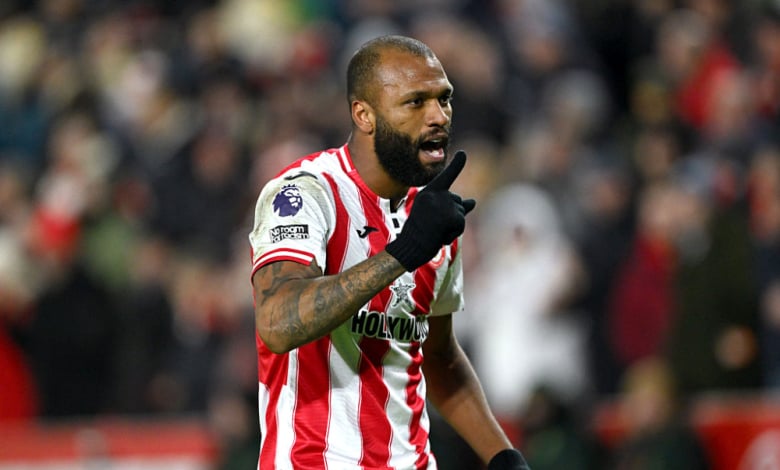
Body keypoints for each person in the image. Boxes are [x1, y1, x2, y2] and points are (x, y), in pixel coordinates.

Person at [248, 35, 530, 469]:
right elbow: (277, 323)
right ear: (364, 114)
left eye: (444, 99)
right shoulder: (305, 194)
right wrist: (401, 253)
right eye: (415, 102)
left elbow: (439, 358)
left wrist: (503, 456)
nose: (438, 116)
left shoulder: (433, 216)